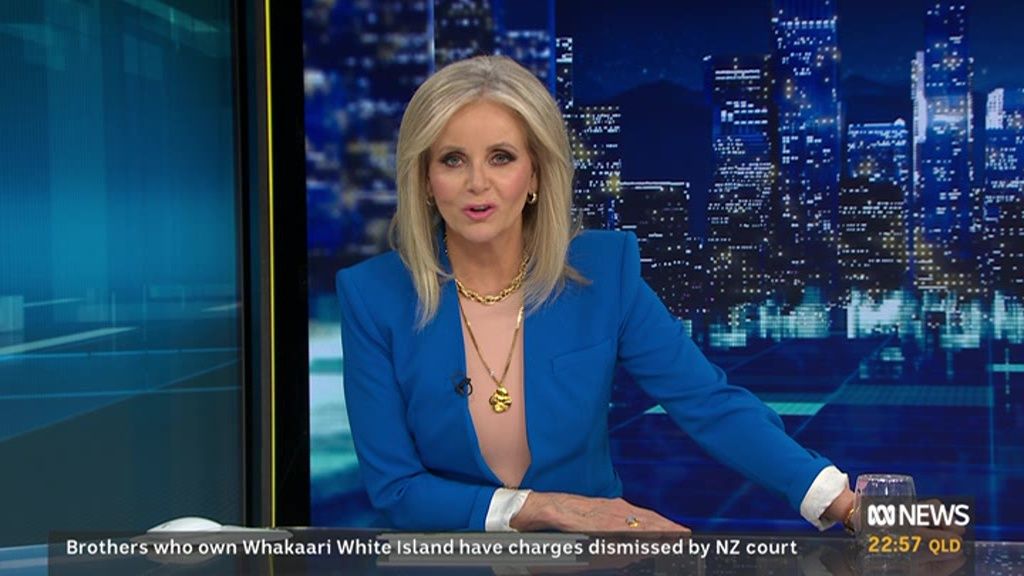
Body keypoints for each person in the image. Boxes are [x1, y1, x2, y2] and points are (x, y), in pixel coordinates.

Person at [336, 55, 857, 533]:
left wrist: (845, 504)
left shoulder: (604, 272)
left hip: (590, 560)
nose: (477, 182)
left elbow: (710, 404)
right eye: (452, 160)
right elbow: (396, 488)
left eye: (501, 157)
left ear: (535, 174)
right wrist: (536, 508)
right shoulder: (373, 297)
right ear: (426, 180)